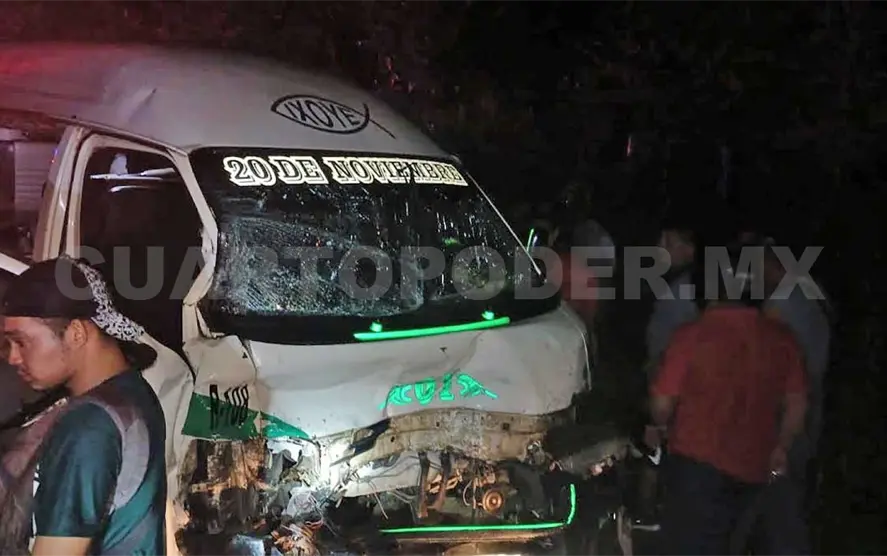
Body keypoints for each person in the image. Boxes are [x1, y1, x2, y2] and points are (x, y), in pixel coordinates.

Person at [0, 256, 167, 555]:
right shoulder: (132, 392)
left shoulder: (90, 425)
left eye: (21, 342)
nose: (12, 357)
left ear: (76, 333)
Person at [649, 250, 808, 556]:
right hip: (754, 468)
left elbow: (661, 403)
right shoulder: (783, 340)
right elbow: (797, 404)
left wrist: (660, 425)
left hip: (695, 465)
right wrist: (782, 447)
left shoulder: (692, 335)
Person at [740, 244, 831, 556]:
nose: (754, 277)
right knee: (783, 494)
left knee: (777, 499)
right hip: (808, 407)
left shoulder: (781, 302)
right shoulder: (813, 298)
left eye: (759, 267)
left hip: (782, 413)